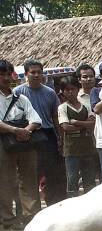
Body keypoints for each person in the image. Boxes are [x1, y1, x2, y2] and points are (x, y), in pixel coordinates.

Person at [14, 59, 66, 206]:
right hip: (27, 136)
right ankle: (30, 210)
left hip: (48, 135)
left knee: (53, 173)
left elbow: (55, 116)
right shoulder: (17, 93)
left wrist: (59, 137)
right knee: (29, 174)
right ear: (26, 74)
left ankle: (55, 205)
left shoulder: (50, 93)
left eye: (39, 72)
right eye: (33, 72)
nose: (36, 75)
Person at [0, 59, 42, 230]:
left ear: (13, 75)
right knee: (5, 181)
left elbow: (36, 119)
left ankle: (30, 217)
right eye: (1, 74)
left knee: (29, 179)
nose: (5, 77)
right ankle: (8, 219)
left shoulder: (21, 97)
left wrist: (26, 131)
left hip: (25, 142)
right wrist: (15, 131)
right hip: (3, 143)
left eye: (7, 74)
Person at [57, 76, 97, 197]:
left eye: (73, 89)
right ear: (62, 92)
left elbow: (93, 123)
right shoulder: (62, 107)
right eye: (67, 90)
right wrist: (84, 125)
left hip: (88, 147)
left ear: (77, 89)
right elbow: (65, 127)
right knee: (72, 179)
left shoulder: (85, 105)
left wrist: (76, 122)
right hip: (71, 149)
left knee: (89, 179)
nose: (70, 92)